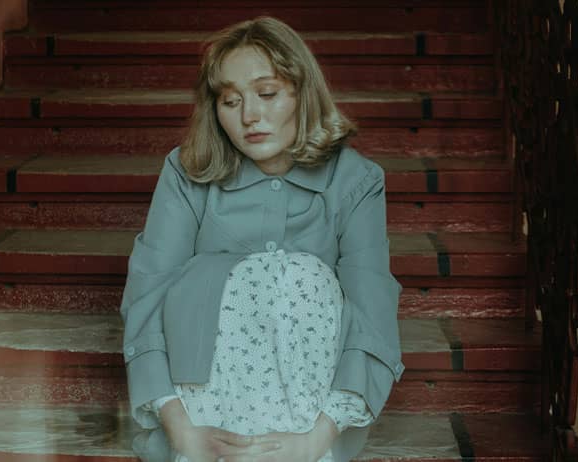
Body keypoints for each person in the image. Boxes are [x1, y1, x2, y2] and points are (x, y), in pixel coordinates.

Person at [120, 16, 405, 462]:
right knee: (219, 274)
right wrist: (180, 427)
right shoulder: (185, 172)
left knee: (302, 274)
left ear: (302, 94)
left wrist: (316, 438)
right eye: (230, 101)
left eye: (267, 94)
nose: (249, 116)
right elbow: (148, 293)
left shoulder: (357, 180)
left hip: (311, 425)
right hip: (199, 419)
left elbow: (372, 311)